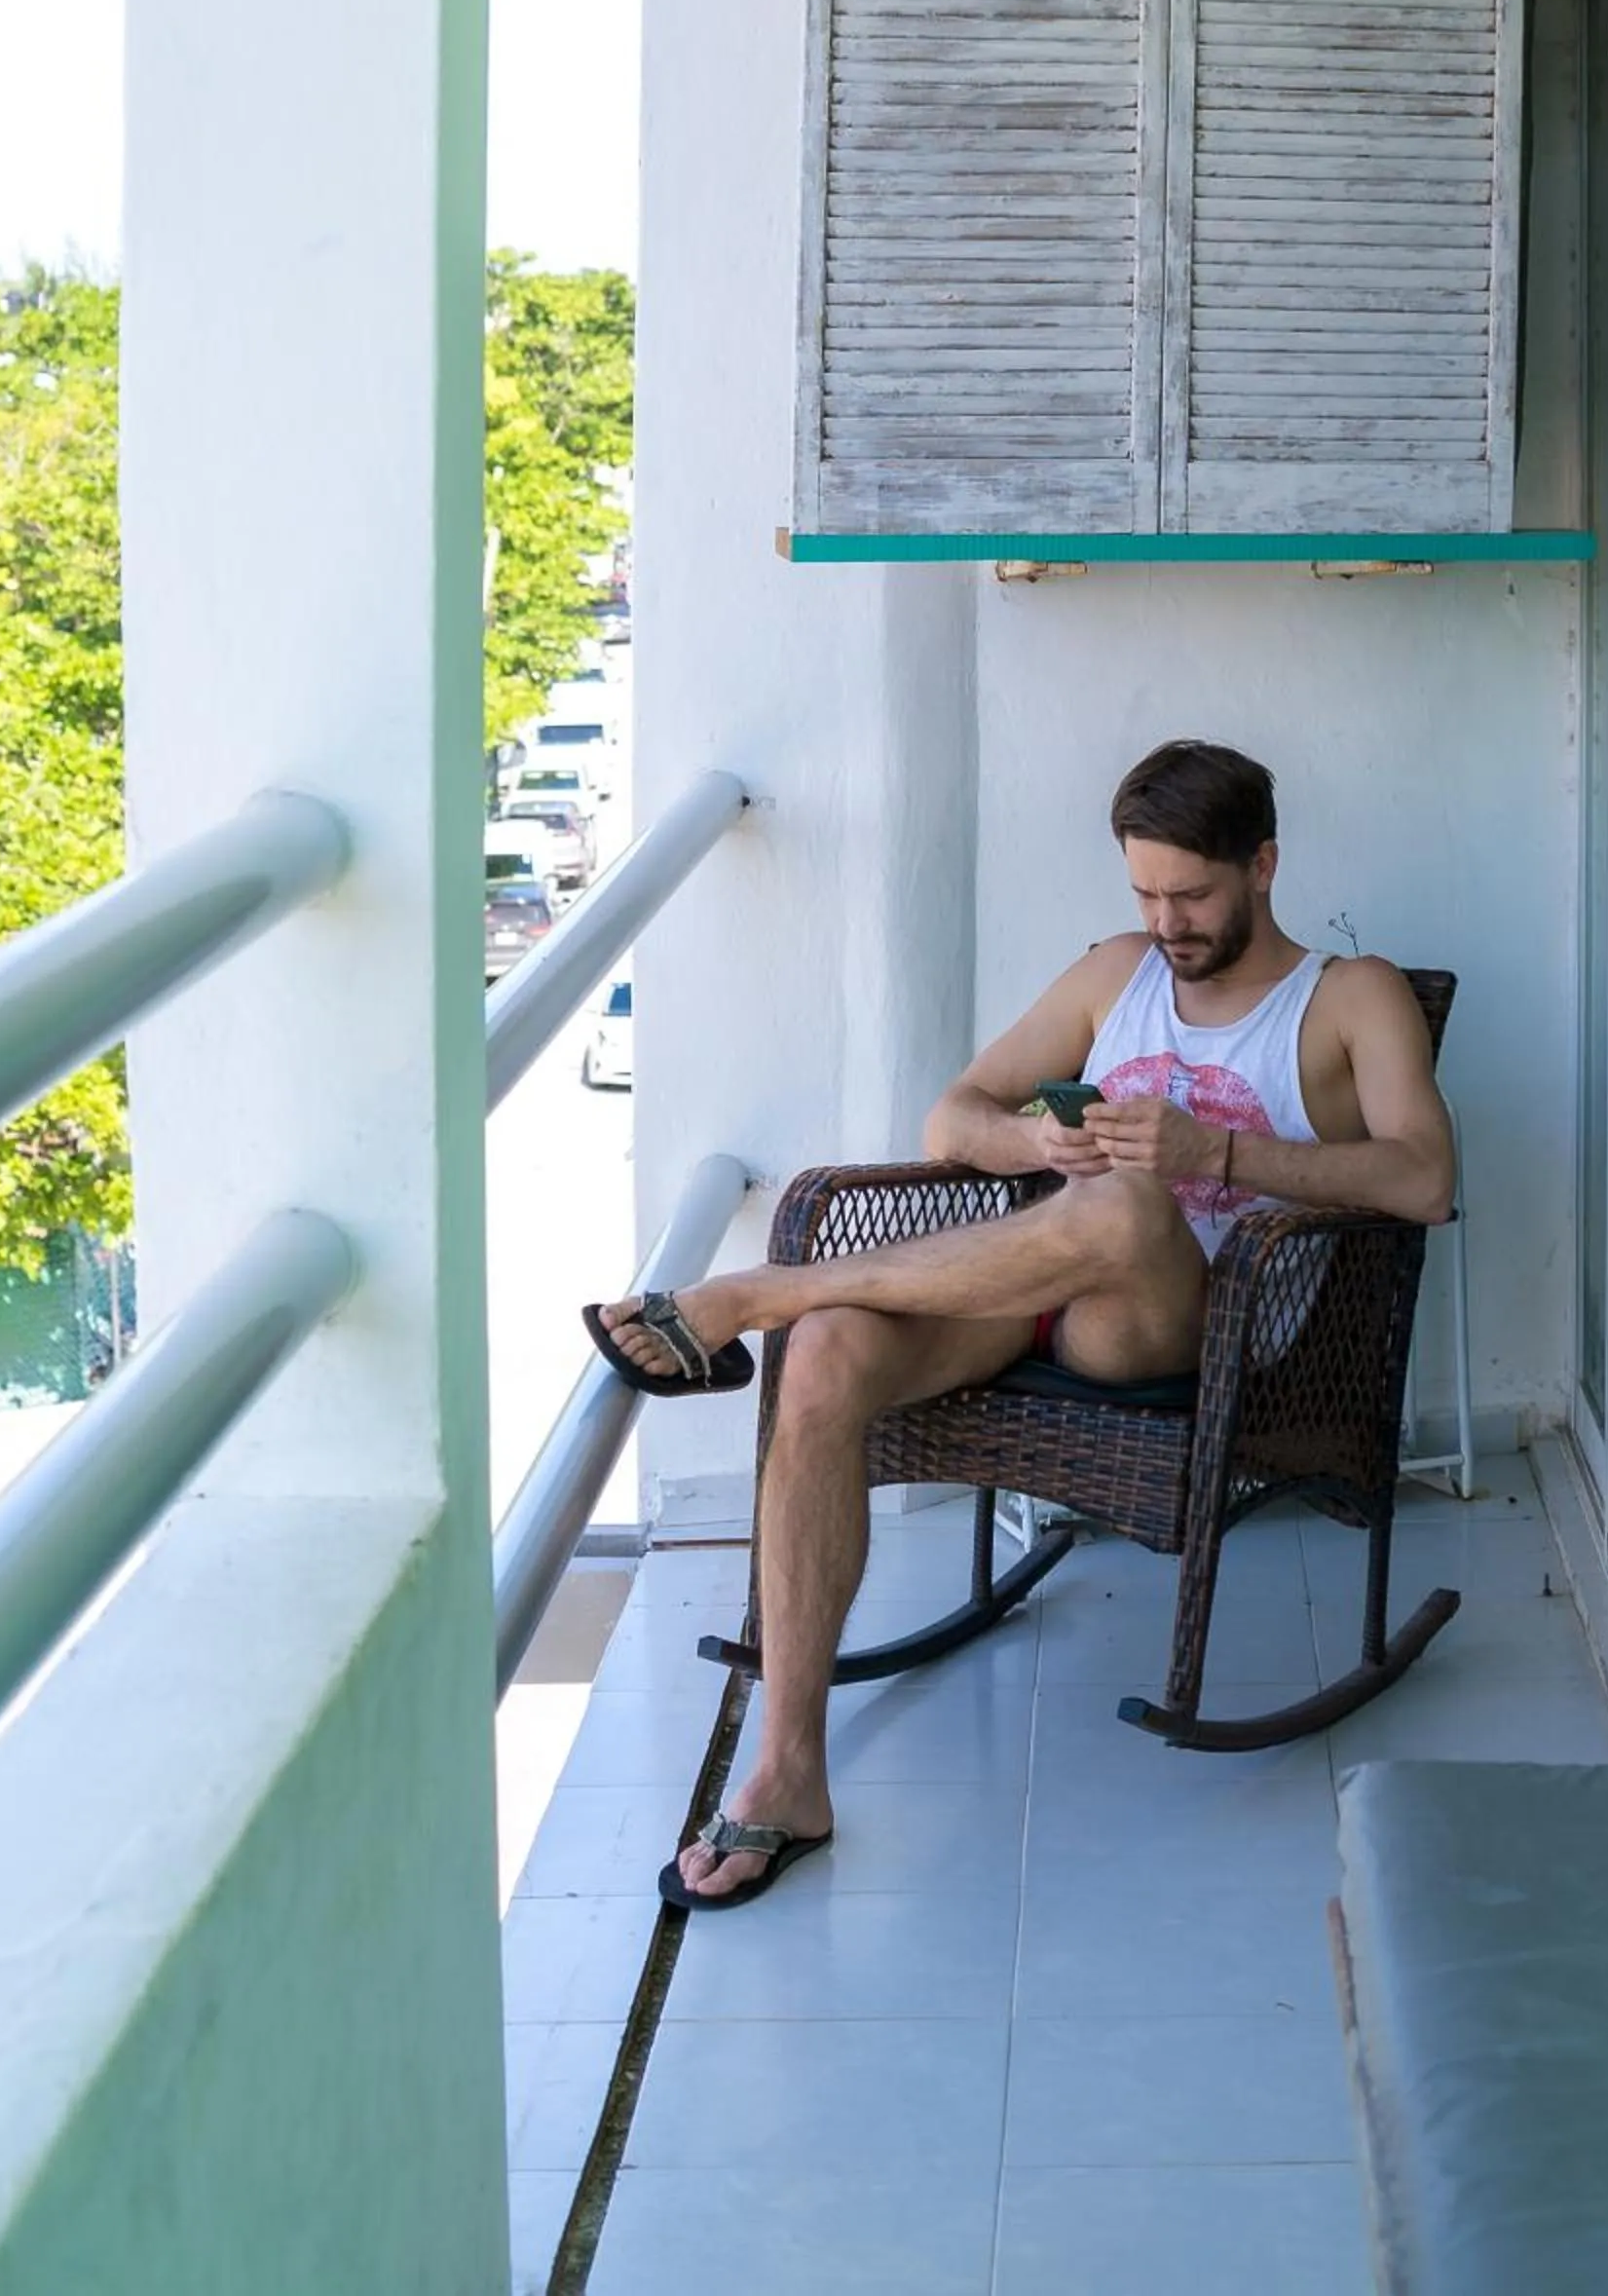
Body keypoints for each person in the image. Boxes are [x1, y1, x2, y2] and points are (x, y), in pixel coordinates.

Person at [581, 738, 1455, 1908]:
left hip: (1191, 1331)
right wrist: (1034, 1144)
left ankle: (750, 1298)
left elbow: (1424, 1182)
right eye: (1145, 891)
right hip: (1030, 1290)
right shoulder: (1114, 973)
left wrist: (1220, 1154)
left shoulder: (1352, 997)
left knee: (1131, 1207)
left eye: (1192, 894)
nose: (1167, 920)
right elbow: (957, 1115)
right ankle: (788, 1771)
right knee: (832, 1355)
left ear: (1265, 865)